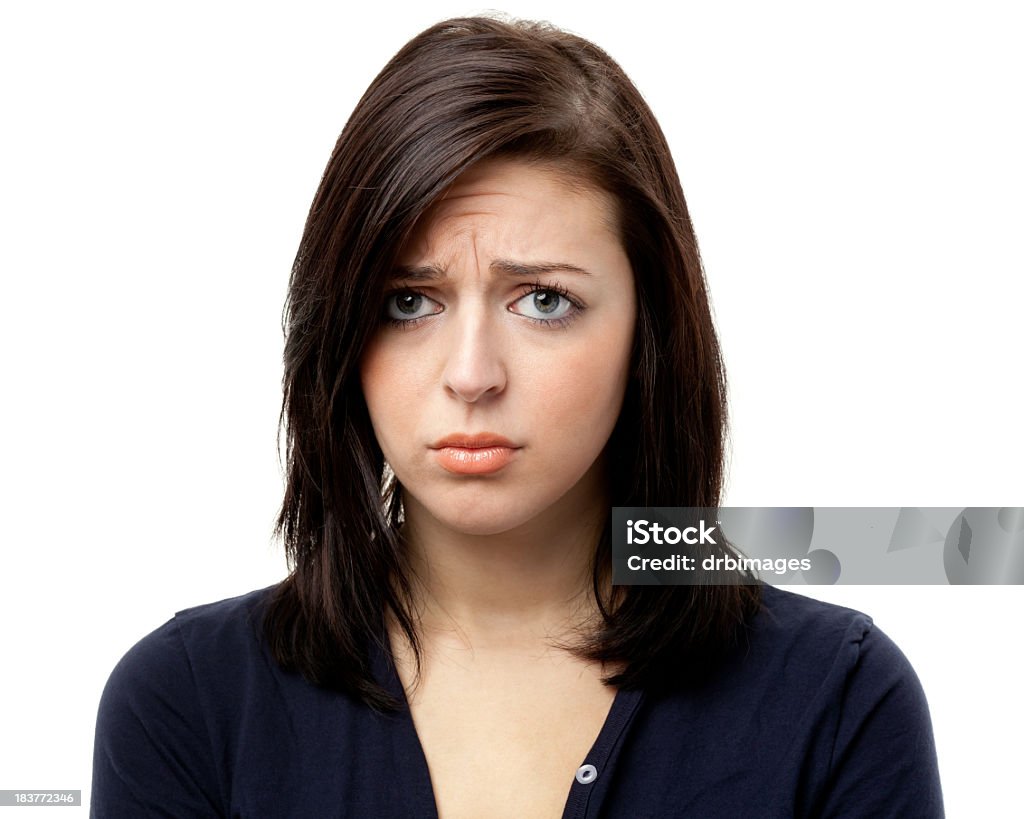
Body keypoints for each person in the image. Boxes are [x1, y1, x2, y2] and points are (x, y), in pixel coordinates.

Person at [91, 16, 943, 818]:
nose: (470, 374)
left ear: (650, 331)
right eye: (407, 301)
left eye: (543, 300)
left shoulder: (840, 702)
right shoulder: (187, 704)